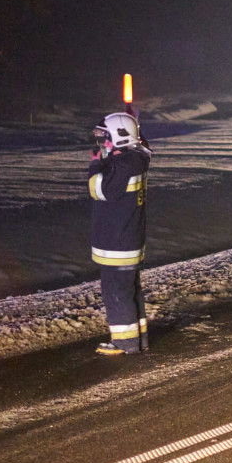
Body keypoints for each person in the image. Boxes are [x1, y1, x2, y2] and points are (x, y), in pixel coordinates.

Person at [88, 111, 151, 355]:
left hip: (117, 244)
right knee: (130, 291)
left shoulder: (124, 165)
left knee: (117, 294)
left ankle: (125, 344)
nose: (102, 144)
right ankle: (139, 339)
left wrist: (95, 165)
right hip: (128, 240)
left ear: (120, 137)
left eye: (105, 138)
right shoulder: (135, 159)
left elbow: (101, 190)